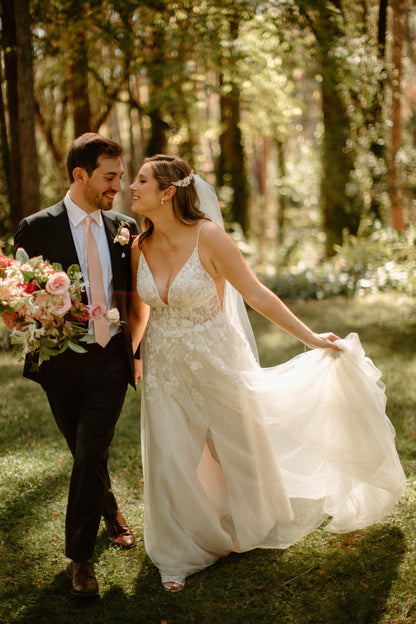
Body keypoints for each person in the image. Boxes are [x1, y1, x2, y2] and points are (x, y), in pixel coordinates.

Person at [128, 155, 406, 593]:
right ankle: (177, 552)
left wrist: (311, 337)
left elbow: (256, 294)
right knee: (169, 455)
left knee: (236, 446)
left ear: (167, 192)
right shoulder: (138, 247)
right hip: (165, 365)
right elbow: (140, 311)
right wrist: (132, 356)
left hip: (216, 357)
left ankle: (254, 518)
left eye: (141, 180)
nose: (132, 187)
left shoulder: (209, 238)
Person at [14, 133, 147, 598]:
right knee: (83, 451)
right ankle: (110, 510)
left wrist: (136, 351)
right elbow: (21, 297)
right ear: (80, 175)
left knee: (91, 449)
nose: (119, 185)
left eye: (120, 175)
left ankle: (80, 560)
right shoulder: (35, 227)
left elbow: (133, 295)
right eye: (109, 177)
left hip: (111, 358)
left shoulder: (124, 226)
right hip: (61, 362)